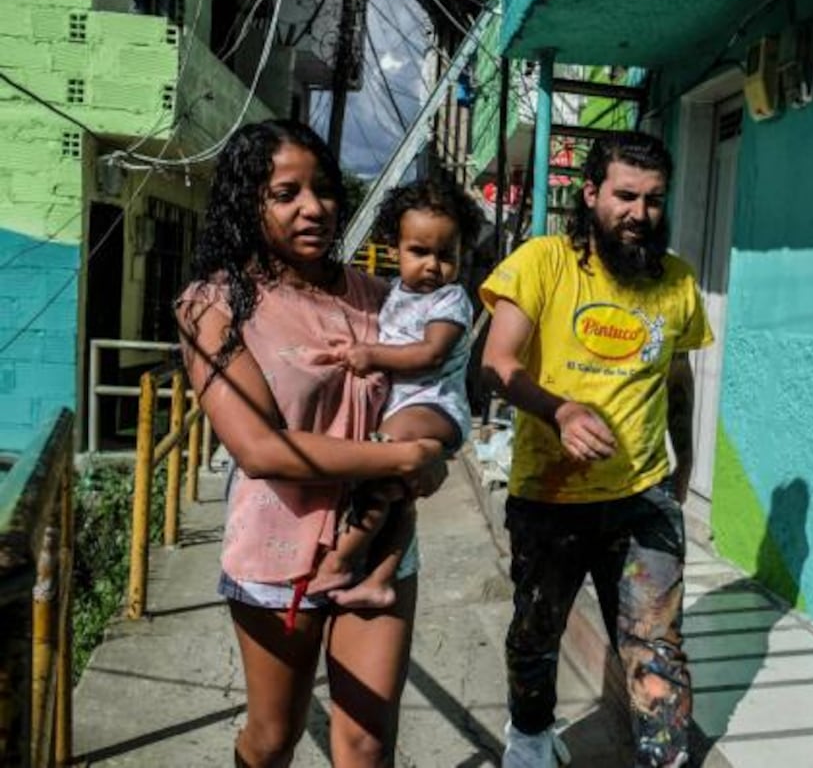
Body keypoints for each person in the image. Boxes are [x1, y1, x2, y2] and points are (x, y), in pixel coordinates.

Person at [176, 119, 446, 767]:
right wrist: (402, 457)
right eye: (286, 193)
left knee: (366, 743)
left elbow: (435, 391)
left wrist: (432, 443)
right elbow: (262, 449)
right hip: (277, 553)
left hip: (378, 543)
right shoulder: (213, 306)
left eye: (323, 189)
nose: (313, 207)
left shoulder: (383, 299)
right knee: (274, 737)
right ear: (250, 202)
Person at [480, 131, 712, 768]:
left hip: (642, 499)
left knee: (656, 646)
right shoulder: (542, 262)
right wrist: (560, 410)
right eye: (626, 196)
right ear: (591, 194)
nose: (640, 214)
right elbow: (496, 362)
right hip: (550, 498)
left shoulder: (677, 281)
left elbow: (678, 377)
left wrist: (683, 466)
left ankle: (663, 759)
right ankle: (529, 737)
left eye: (655, 200)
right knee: (536, 632)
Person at [308, 178, 479, 609]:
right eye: (419, 252)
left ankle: (342, 559)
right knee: (395, 494)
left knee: (375, 462)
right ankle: (381, 579)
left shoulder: (451, 299)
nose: (432, 266)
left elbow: (431, 354)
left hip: (434, 404)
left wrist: (372, 356)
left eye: (446, 255)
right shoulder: (393, 293)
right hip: (407, 404)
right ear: (395, 248)